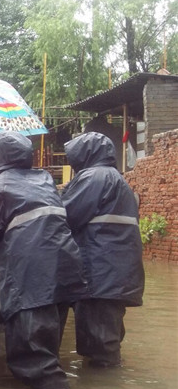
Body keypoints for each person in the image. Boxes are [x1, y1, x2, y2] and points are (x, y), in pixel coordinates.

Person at [0, 132, 87, 389]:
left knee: (36, 363)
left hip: (31, 280)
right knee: (47, 350)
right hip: (64, 273)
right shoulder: (44, 180)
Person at [61, 131, 144, 368]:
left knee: (99, 345)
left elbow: (66, 214)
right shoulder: (113, 178)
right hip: (114, 275)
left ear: (85, 154)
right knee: (107, 339)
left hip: (99, 274)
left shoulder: (94, 178)